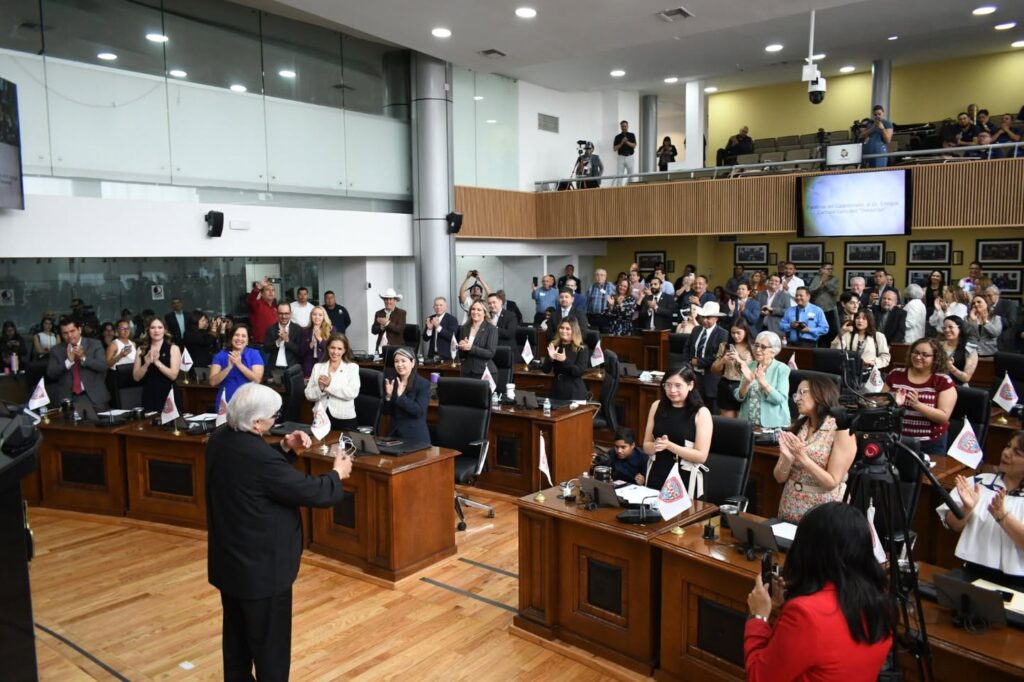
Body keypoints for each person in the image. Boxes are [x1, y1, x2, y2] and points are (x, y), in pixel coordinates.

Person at [205, 382, 350, 682]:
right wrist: (337, 474)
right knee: (270, 652)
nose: (275, 420)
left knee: (236, 645)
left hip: (230, 563)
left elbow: (254, 474)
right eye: (273, 416)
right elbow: (311, 491)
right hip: (262, 571)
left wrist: (284, 448)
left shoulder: (219, 439)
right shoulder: (260, 459)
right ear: (256, 423)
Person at [745, 502, 893, 680]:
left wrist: (758, 616)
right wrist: (787, 606)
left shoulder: (804, 614)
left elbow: (759, 677)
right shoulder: (881, 602)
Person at [938, 432, 1024, 588]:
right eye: (1008, 446)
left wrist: (1003, 517)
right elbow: (953, 524)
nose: (1006, 453)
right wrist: (966, 509)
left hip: (1018, 583)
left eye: (1017, 453)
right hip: (973, 572)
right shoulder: (979, 482)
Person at [775, 377, 856, 523]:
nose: (797, 399)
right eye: (796, 394)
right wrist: (787, 460)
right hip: (790, 504)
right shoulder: (797, 427)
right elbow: (779, 478)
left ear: (821, 393)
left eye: (802, 392)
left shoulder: (840, 429)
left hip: (823, 509)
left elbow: (832, 482)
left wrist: (802, 457)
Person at [642, 365, 713, 491]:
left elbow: (701, 456)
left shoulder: (701, 413)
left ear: (690, 385)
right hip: (657, 472)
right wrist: (657, 446)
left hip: (685, 477)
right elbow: (646, 446)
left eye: (678, 385)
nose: (672, 390)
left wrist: (669, 446)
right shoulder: (656, 406)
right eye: (668, 385)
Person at [883, 338, 956, 456]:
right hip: (897, 440)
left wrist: (917, 405)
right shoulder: (895, 374)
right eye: (915, 352)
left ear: (935, 358)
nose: (918, 357)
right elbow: (880, 403)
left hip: (929, 444)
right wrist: (892, 402)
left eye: (925, 355)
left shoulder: (943, 381)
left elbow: (943, 417)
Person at [46, 317, 111, 410]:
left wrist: (84, 358)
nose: (69, 335)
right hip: (69, 399)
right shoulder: (56, 350)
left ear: (79, 330)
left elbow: (103, 366)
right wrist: (68, 362)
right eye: (65, 333)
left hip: (95, 397)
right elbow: (51, 374)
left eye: (72, 331)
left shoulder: (94, 344)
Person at [304, 334, 360, 431]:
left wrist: (328, 386)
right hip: (320, 417)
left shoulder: (352, 368)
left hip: (344, 420)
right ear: (327, 348)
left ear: (344, 350)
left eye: (339, 349)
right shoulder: (318, 367)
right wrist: (320, 388)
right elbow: (308, 395)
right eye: (332, 348)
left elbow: (352, 393)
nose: (335, 352)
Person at [736, 331, 791, 430]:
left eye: (763, 347)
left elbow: (780, 399)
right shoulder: (750, 366)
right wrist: (747, 383)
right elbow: (738, 396)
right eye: (756, 345)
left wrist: (763, 383)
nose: (757, 350)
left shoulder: (782, 369)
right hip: (748, 423)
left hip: (773, 424)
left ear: (773, 351)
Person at [684, 301, 729, 410]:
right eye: (703, 317)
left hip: (710, 379)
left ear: (716, 318)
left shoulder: (723, 334)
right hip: (694, 376)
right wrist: (690, 362)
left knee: (711, 410)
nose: (704, 320)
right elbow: (686, 348)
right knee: (693, 407)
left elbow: (718, 356)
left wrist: (698, 362)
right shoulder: (696, 330)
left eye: (708, 318)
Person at [132, 317, 182, 412]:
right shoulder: (141, 349)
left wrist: (156, 362)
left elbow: (173, 375)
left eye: (160, 327)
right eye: (153, 327)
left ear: (165, 330)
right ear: (148, 330)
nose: (156, 331)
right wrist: (146, 364)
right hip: (149, 393)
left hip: (168, 394)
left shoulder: (173, 348)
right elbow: (136, 377)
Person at [382, 347, 430, 443]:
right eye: (396, 361)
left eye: (403, 361)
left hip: (415, 438)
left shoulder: (423, 384)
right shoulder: (392, 381)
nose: (399, 365)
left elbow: (418, 412)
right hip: (394, 435)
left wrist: (401, 397)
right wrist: (388, 396)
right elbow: (386, 411)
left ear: (412, 363)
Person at [210, 325, 265, 408]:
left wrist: (239, 364)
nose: (239, 338)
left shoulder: (254, 354)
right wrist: (228, 367)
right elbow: (212, 382)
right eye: (236, 335)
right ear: (231, 338)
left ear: (247, 340)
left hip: (248, 402)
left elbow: (257, 379)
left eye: (243, 336)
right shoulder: (220, 355)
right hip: (225, 402)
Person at [711, 319, 755, 419]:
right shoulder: (724, 346)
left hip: (744, 386)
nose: (735, 336)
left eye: (738, 333)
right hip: (726, 384)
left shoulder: (753, 347)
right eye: (733, 333)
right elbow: (714, 370)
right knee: (728, 422)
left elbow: (754, 371)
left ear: (745, 331)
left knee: (742, 420)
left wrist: (739, 360)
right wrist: (723, 361)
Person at [831, 309, 890, 376]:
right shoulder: (847, 334)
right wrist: (841, 333)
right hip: (849, 373)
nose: (860, 321)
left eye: (864, 319)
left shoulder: (878, 336)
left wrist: (873, 362)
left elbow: (885, 357)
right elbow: (835, 351)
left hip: (870, 374)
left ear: (870, 321)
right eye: (857, 318)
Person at [542, 319, 589, 401]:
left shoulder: (581, 348)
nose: (564, 331)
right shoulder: (554, 345)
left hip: (574, 392)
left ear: (574, 331)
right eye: (562, 328)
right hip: (557, 390)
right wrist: (550, 359)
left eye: (568, 329)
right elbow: (545, 370)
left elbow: (578, 372)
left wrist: (565, 360)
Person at [457, 300, 498, 381]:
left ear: (484, 313)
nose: (475, 312)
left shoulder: (491, 329)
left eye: (479, 310)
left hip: (484, 372)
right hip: (466, 371)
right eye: (473, 309)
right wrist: (461, 346)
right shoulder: (464, 328)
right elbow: (461, 355)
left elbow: (490, 353)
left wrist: (471, 348)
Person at [940, 316, 978, 386]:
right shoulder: (938, 345)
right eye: (944, 328)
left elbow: (966, 378)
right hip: (938, 384)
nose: (947, 330)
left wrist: (951, 368)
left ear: (960, 328)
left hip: (958, 387)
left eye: (950, 327)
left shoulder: (969, 349)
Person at [263, 303, 302, 371]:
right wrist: (278, 342)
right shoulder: (271, 329)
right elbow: (266, 349)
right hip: (274, 369)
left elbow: (300, 351)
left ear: (291, 313)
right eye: (281, 313)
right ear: (276, 313)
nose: (284, 316)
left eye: (286, 313)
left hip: (292, 369)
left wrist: (287, 341)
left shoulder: (298, 329)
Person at [807, 264, 839, 346]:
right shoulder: (816, 278)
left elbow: (835, 292)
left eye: (831, 269)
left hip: (829, 309)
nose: (830, 271)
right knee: (815, 328)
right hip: (816, 309)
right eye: (827, 269)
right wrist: (820, 286)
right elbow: (810, 292)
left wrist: (826, 284)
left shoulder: (834, 279)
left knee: (831, 330)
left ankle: (826, 346)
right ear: (821, 270)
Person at [964, 293, 1002, 357]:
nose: (976, 304)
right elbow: (965, 332)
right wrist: (972, 321)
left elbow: (996, 333)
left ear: (986, 304)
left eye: (979, 302)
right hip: (971, 352)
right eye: (973, 303)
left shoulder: (995, 318)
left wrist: (985, 322)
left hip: (989, 352)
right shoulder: (967, 318)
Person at [300, 305, 335, 377]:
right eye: (314, 314)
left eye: (320, 315)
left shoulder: (331, 330)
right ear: (311, 316)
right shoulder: (305, 331)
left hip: (325, 364)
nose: (317, 317)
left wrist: (320, 339)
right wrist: (311, 344)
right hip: (309, 365)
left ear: (324, 317)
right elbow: (301, 352)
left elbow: (333, 349)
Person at [371, 288, 407, 353]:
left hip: (396, 348)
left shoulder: (401, 313)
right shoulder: (379, 313)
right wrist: (381, 327)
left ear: (395, 301)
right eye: (386, 299)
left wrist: (387, 323)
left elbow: (399, 329)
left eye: (390, 299)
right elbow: (373, 330)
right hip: (381, 348)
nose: (388, 302)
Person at [986, 285, 1020, 352]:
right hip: (987, 341)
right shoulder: (984, 305)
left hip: (1003, 339)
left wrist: (995, 316)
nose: (987, 298)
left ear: (997, 295)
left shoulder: (1009, 304)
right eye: (985, 296)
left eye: (989, 295)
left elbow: (1011, 322)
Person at [586, 268, 617, 332]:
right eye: (597, 275)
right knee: (594, 336)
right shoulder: (591, 287)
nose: (599, 277)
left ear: (605, 276)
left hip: (606, 318)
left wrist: (613, 304)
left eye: (602, 275)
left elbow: (617, 299)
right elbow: (586, 303)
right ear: (595, 276)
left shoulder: (611, 286)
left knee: (606, 336)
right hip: (592, 318)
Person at [612, 120, 637, 186]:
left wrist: (626, 142)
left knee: (631, 175)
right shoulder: (617, 137)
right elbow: (614, 148)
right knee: (619, 175)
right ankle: (619, 189)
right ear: (621, 127)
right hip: (621, 157)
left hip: (630, 157)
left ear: (627, 126)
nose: (624, 128)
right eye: (622, 126)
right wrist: (622, 142)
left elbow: (634, 145)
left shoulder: (631, 135)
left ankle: (629, 188)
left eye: (625, 126)